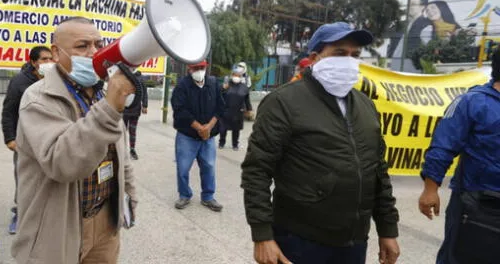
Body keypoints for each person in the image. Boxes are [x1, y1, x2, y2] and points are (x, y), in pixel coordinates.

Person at [241, 22, 400, 264]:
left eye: (355, 55)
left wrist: (388, 229)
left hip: (354, 242)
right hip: (300, 240)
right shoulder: (283, 102)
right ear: (315, 58)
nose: (349, 61)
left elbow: (378, 171)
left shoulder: (366, 106)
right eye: (339, 53)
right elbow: (257, 171)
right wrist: (262, 235)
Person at [11, 17, 137, 264]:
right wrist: (110, 107)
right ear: (57, 52)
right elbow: (63, 163)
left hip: (105, 222)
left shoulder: (102, 92)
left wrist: (129, 194)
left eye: (98, 45)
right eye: (82, 46)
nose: (93, 53)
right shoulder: (38, 98)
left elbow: (120, 153)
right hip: (60, 224)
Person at [418, 46, 500, 264]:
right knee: (461, 257)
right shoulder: (472, 102)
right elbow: (443, 146)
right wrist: (430, 189)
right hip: (475, 202)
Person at [1, 45, 53, 235]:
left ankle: (46, 213)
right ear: (33, 62)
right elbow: (8, 111)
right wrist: (10, 138)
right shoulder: (20, 82)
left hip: (49, 138)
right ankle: (20, 212)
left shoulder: (56, 80)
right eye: (43, 60)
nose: (48, 63)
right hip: (25, 140)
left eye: (50, 59)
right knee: (24, 178)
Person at [171, 60, 225, 212]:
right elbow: (179, 109)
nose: (199, 70)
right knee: (183, 168)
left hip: (208, 136)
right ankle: (184, 194)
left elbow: (221, 107)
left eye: (202, 68)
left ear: (206, 67)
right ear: (189, 69)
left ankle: (208, 197)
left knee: (209, 166)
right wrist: (199, 127)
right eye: (196, 68)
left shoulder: (213, 83)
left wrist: (209, 127)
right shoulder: (182, 85)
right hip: (187, 135)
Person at [219, 66, 252, 150]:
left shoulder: (244, 87)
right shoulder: (226, 85)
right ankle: (221, 143)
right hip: (226, 111)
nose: (236, 77)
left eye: (238, 75)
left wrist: (249, 110)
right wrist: (222, 88)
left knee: (236, 129)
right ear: (232, 75)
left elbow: (247, 99)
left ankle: (235, 144)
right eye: (235, 75)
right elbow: (219, 95)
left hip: (238, 111)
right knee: (223, 129)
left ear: (241, 76)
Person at [122, 70, 148, 160]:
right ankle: (121, 149)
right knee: (122, 131)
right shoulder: (124, 77)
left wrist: (145, 105)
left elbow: (145, 93)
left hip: (135, 110)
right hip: (124, 110)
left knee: (132, 131)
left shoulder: (140, 79)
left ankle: (132, 149)